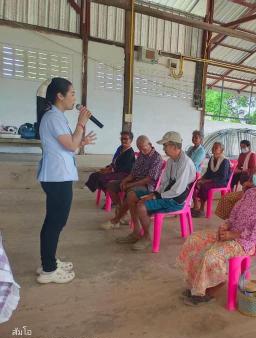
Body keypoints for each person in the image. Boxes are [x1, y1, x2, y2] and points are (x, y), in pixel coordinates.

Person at [177, 160, 256, 306]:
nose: (254, 175)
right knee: (194, 240)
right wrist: (226, 225)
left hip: (248, 242)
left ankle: (210, 290)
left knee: (211, 255)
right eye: (255, 171)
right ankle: (197, 284)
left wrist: (233, 235)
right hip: (231, 232)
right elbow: (235, 212)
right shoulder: (251, 192)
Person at [36, 77, 96, 284]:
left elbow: (69, 144)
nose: (74, 98)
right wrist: (81, 123)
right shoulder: (53, 117)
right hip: (56, 176)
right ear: (59, 96)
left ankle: (49, 261)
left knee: (57, 220)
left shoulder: (57, 116)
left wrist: (82, 140)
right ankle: (48, 269)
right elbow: (70, 145)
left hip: (60, 175)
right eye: (71, 94)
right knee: (55, 221)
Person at [119, 131, 197, 251]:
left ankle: (146, 237)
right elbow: (164, 182)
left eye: (165, 145)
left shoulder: (185, 163)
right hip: (167, 194)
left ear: (174, 146)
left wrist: (155, 196)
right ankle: (136, 232)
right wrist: (154, 194)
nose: (163, 148)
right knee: (131, 195)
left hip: (176, 200)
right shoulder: (171, 160)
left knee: (141, 206)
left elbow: (177, 190)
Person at [101, 136, 164, 229]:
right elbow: (133, 173)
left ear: (150, 145)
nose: (142, 151)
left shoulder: (157, 158)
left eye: (144, 148)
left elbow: (149, 179)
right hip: (135, 181)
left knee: (131, 192)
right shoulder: (141, 155)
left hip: (147, 186)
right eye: (139, 149)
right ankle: (122, 212)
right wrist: (125, 181)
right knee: (111, 185)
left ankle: (116, 219)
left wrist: (130, 184)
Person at [215, 143, 256, 220]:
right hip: (250, 191)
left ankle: (237, 221)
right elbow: (253, 177)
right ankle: (233, 221)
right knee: (226, 199)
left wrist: (250, 185)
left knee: (239, 204)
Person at [191, 142, 231, 218]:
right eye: (213, 147)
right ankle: (196, 206)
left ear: (221, 150)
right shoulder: (212, 159)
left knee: (204, 186)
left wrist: (206, 181)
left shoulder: (225, 161)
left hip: (221, 182)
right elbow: (208, 172)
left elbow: (223, 177)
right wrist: (201, 179)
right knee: (195, 183)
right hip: (212, 180)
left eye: (216, 148)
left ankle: (202, 209)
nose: (213, 149)